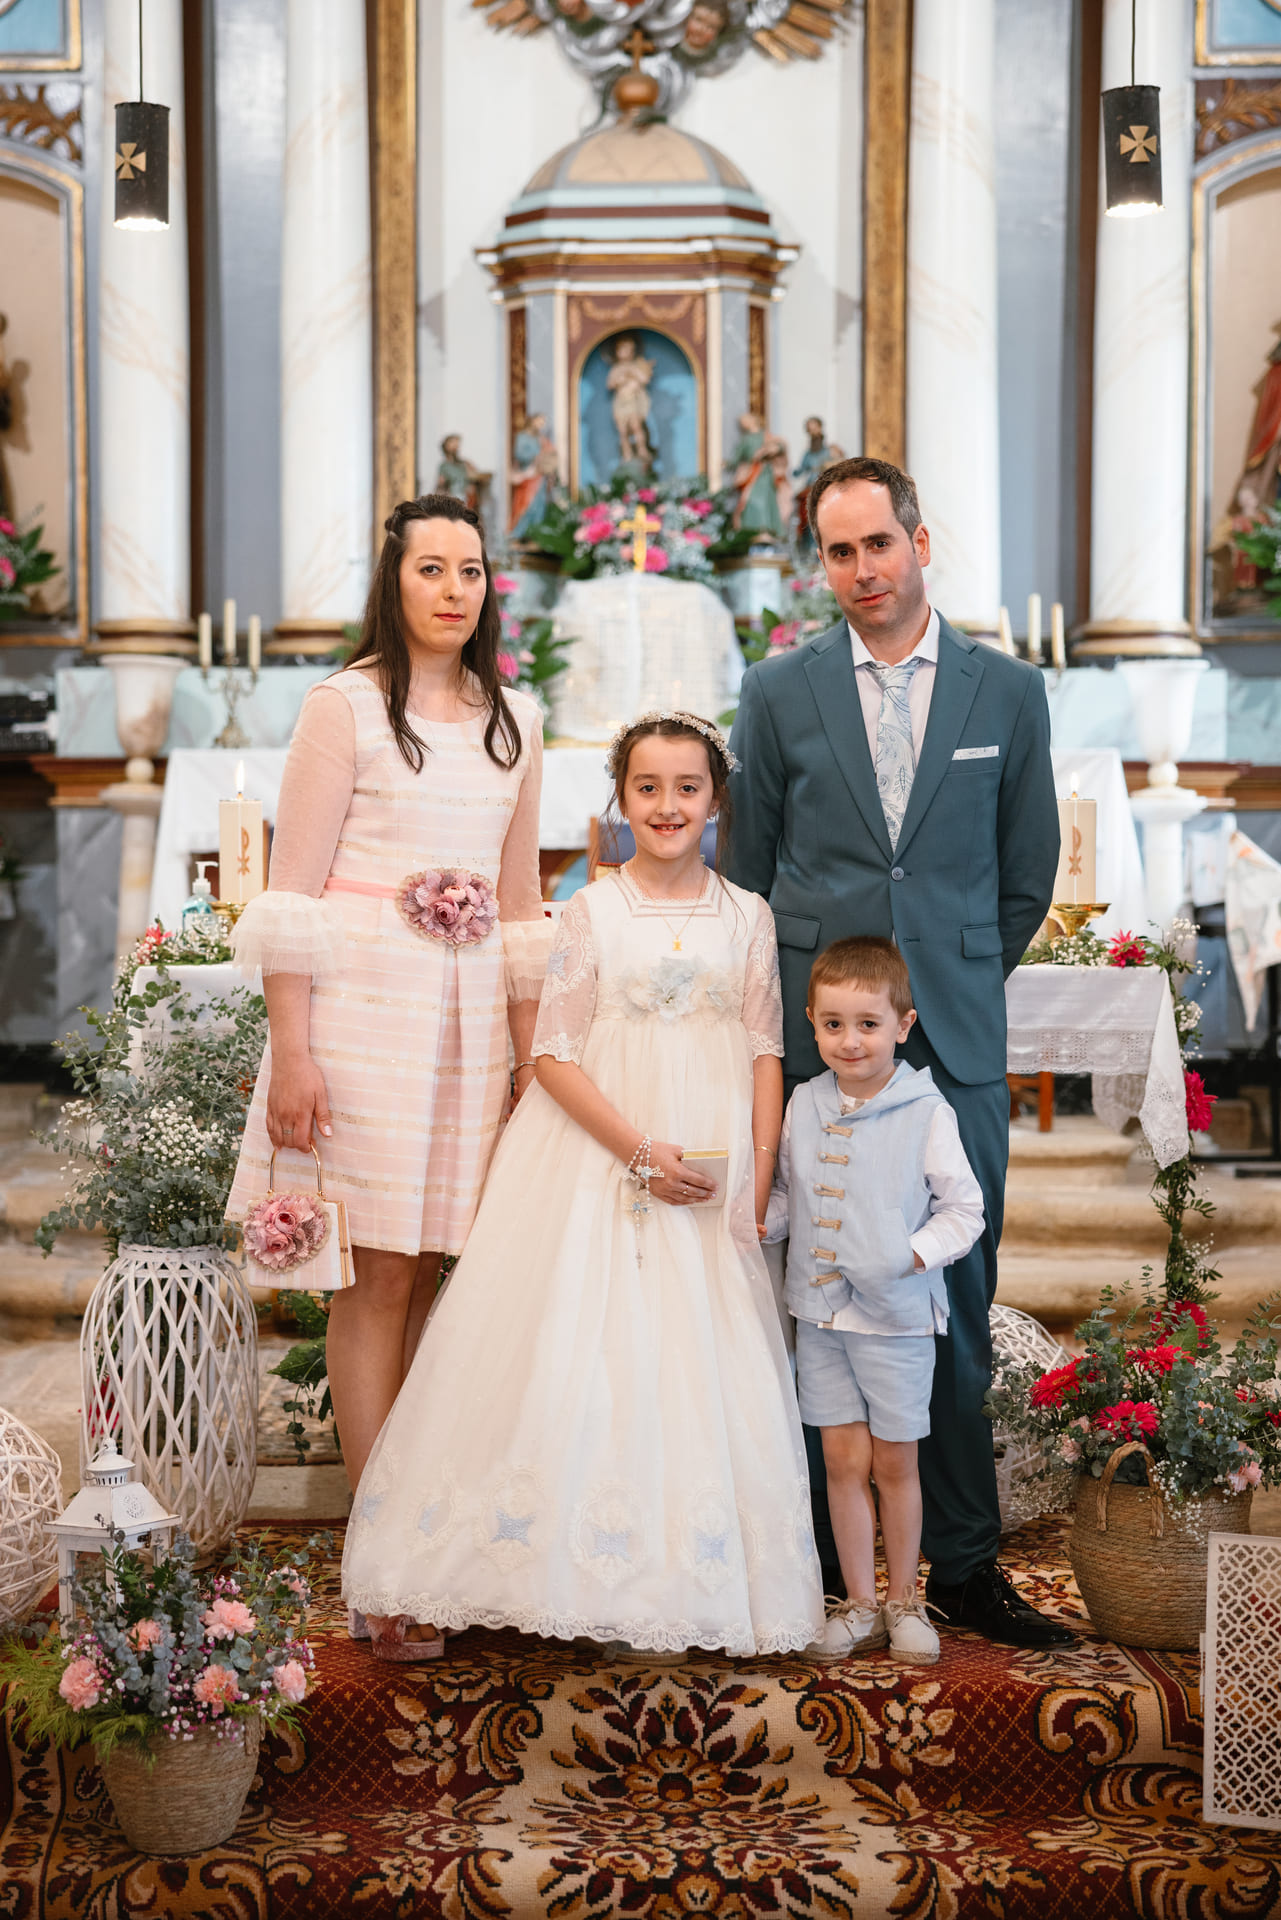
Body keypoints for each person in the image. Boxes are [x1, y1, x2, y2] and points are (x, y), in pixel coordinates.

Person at [342, 711, 824, 1662]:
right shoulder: (590, 912)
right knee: (587, 1345)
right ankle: (549, 1573)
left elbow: (765, 1051)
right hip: (600, 1159)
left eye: (686, 788)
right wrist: (637, 1151)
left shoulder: (749, 915)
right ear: (619, 800)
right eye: (647, 788)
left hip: (712, 1170)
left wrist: (759, 1176)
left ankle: (678, 1583)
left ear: (716, 801)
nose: (667, 805)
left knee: (693, 1360)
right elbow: (554, 1056)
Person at [728, 455, 1069, 1651]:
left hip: (948, 1046)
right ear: (819, 563)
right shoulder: (777, 690)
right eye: (840, 551)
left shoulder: (1007, 691)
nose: (863, 569)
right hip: (815, 1048)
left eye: (880, 543)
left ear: (921, 542)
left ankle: (962, 1562)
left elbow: (1027, 872)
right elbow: (749, 874)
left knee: (951, 1304)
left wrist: (940, 990)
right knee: (810, 1294)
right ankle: (825, 1559)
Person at [226, 494, 552, 1538]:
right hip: (361, 1022)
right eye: (431, 569)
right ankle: (381, 1544)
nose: (454, 590)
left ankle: (418, 1528)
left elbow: (519, 910)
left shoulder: (516, 721)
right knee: (370, 1278)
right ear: (394, 581)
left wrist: (529, 1063)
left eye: (471, 571)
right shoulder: (345, 707)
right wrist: (292, 1053)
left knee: (429, 1274)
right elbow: (291, 895)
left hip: (467, 1033)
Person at [765, 937, 983, 1665]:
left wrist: (908, 1254)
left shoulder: (925, 1111)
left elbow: (964, 1210)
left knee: (894, 1464)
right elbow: (790, 1195)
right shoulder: (803, 1102)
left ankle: (904, 1600)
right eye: (832, 1024)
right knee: (840, 1460)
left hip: (894, 1320)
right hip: (820, 1313)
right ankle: (859, 1602)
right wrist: (754, 1220)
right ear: (811, 1022)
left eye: (867, 1024)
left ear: (903, 1025)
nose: (849, 1040)